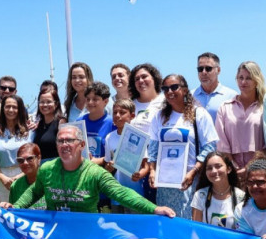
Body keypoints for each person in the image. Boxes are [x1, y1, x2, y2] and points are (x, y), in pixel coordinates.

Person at [9, 124, 175, 216]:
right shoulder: (46, 169)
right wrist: (13, 207)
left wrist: (154, 209)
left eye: (69, 140)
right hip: (56, 230)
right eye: (60, 141)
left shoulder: (95, 172)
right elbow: (34, 192)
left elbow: (122, 193)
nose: (64, 145)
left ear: (82, 145)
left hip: (88, 231)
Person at [146, 74, 219, 218]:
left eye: (174, 87)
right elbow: (153, 148)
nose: (169, 92)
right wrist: (152, 171)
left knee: (189, 222)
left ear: (185, 90)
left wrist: (194, 171)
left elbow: (211, 145)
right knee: (167, 221)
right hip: (165, 183)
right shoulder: (159, 117)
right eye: (165, 89)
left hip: (190, 181)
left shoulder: (199, 114)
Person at [216, 61, 266, 175]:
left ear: (256, 80)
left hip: (259, 168)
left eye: (248, 78)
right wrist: (234, 168)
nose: (243, 82)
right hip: (231, 170)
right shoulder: (225, 107)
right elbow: (221, 142)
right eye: (240, 77)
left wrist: (249, 168)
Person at [102, 98, 149, 210]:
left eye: (122, 112)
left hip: (135, 193)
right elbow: (107, 165)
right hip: (117, 192)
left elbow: (145, 166)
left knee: (134, 226)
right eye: (115, 112)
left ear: (132, 116)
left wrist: (139, 175)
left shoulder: (139, 137)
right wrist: (108, 167)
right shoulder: (109, 137)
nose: (117, 115)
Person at [0, 94, 33, 201]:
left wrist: (18, 177)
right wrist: (3, 178)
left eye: (15, 107)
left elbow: (35, 159)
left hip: (24, 175)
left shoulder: (29, 132)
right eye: (7, 106)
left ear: (20, 109)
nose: (11, 110)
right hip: (1, 178)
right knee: (3, 212)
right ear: (3, 109)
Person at [191, 151, 244, 228]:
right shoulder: (200, 195)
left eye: (218, 166)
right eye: (209, 168)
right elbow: (196, 229)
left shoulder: (241, 196)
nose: (214, 171)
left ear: (229, 169)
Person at [193, 52, 235, 122]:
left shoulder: (231, 96)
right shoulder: (190, 96)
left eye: (208, 68)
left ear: (218, 70)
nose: (204, 72)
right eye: (200, 69)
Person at [82, 82, 116, 161]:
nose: (90, 102)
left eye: (95, 99)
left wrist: (100, 161)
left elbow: (116, 153)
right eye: (88, 99)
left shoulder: (112, 123)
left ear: (106, 101)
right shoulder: (79, 121)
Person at [7, 143, 45, 210]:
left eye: (29, 158)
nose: (25, 163)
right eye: (20, 160)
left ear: (39, 158)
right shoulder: (15, 186)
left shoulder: (49, 181)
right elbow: (13, 211)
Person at [32, 88, 63, 161]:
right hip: (40, 168)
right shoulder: (39, 124)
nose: (45, 105)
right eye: (42, 102)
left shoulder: (61, 122)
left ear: (56, 104)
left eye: (49, 102)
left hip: (56, 167)